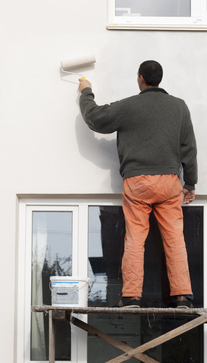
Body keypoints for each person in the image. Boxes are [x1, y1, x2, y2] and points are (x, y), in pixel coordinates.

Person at [78, 60, 197, 308]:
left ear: (140, 79)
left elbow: (95, 118)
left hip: (137, 182)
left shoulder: (129, 106)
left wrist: (86, 90)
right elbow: (189, 147)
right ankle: (183, 295)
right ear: (159, 80)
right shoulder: (179, 107)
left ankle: (131, 296)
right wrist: (191, 182)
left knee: (135, 238)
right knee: (175, 238)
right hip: (169, 181)